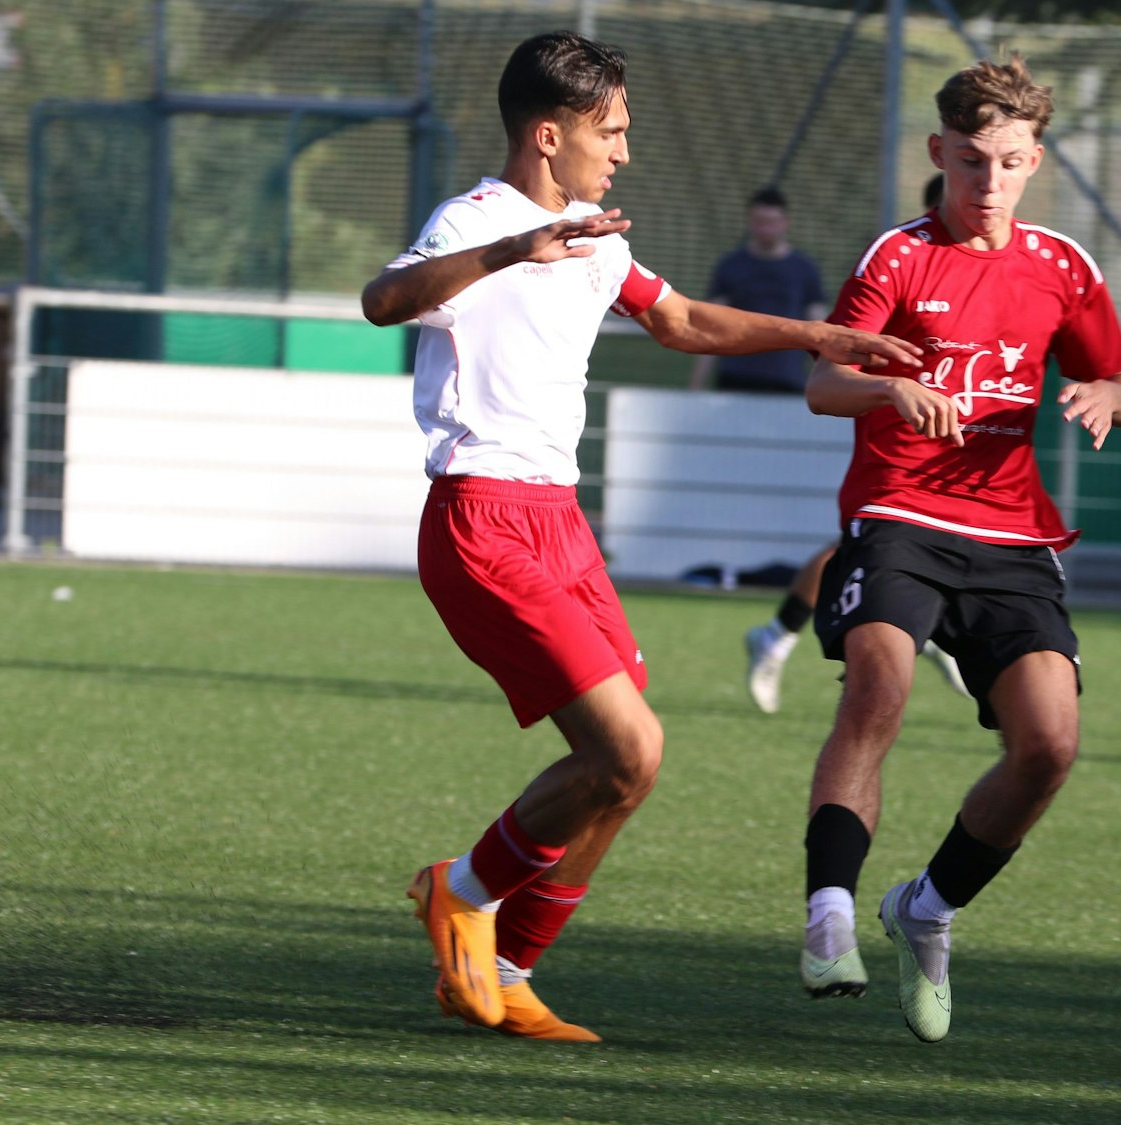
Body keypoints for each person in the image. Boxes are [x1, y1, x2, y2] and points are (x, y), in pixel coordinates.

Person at [360, 30, 919, 1041]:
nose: (623, 150)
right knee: (628, 745)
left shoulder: (596, 237)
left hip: (560, 521)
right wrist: (509, 251)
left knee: (629, 767)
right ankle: (461, 889)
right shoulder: (474, 221)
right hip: (482, 520)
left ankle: (509, 969)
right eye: (609, 131)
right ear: (548, 134)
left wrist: (821, 336)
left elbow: (683, 322)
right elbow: (381, 301)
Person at [796, 55, 1121, 1043]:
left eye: (1009, 162)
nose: (989, 183)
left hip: (1010, 534)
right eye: (971, 160)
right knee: (879, 684)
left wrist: (1103, 395)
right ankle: (828, 915)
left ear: (1035, 161)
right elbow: (822, 383)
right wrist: (888, 387)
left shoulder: (1063, 266)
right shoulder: (898, 258)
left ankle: (927, 909)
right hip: (898, 512)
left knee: (1049, 745)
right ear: (940, 152)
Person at [742, 174, 968, 713]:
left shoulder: (997, 267)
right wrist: (880, 385)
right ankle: (783, 634)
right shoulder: (898, 261)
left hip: (964, 441)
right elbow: (836, 350)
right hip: (896, 438)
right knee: (865, 547)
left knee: (931, 548)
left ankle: (921, 631)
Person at [687, 187, 827, 393]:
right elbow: (709, 325)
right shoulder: (730, 265)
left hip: (786, 381)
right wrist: (696, 387)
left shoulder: (805, 269)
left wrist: (824, 382)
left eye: (771, 222)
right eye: (760, 222)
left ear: (785, 223)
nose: (765, 229)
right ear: (750, 222)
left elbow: (820, 329)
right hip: (736, 378)